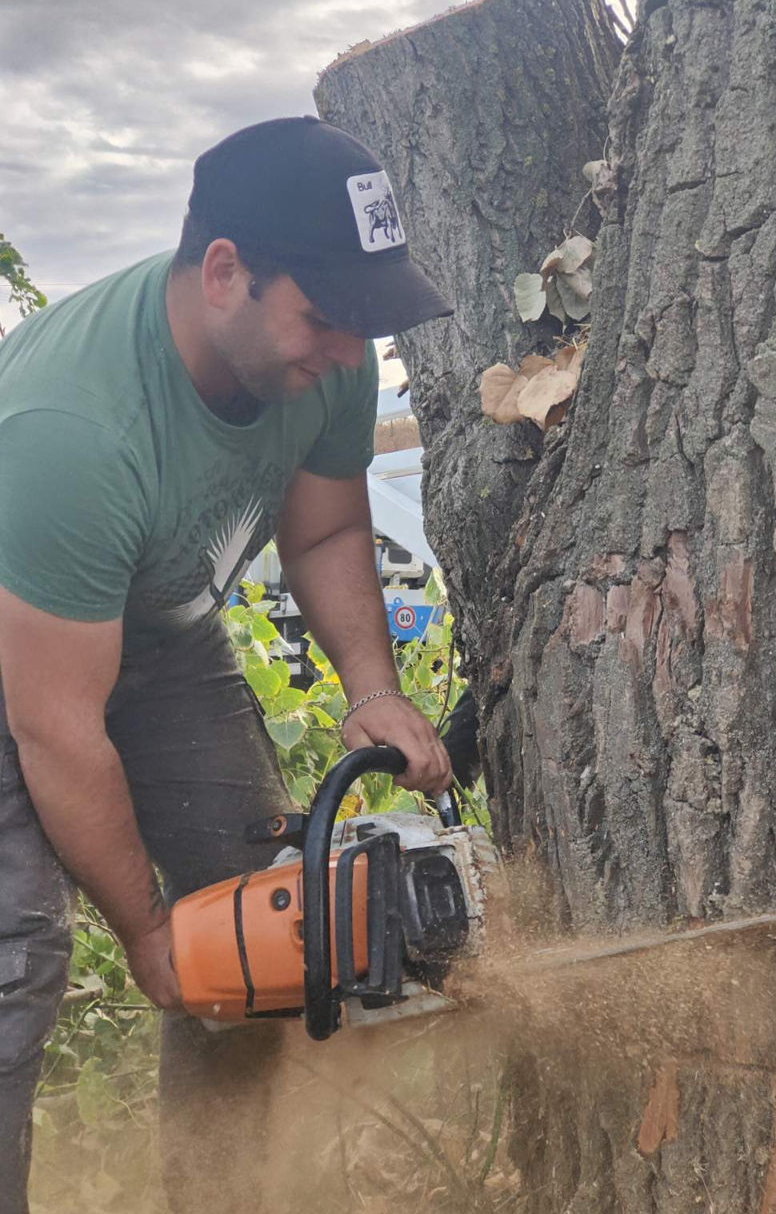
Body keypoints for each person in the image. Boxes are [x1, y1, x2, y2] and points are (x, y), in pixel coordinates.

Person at [0, 116, 454, 1213]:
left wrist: (374, 690)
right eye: (328, 315)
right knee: (14, 960)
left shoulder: (323, 357)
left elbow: (330, 534)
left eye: (364, 321)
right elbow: (61, 729)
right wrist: (148, 933)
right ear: (223, 273)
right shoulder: (72, 429)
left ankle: (219, 1197)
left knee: (256, 920)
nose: (351, 351)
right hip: (26, 630)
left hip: (153, 624)